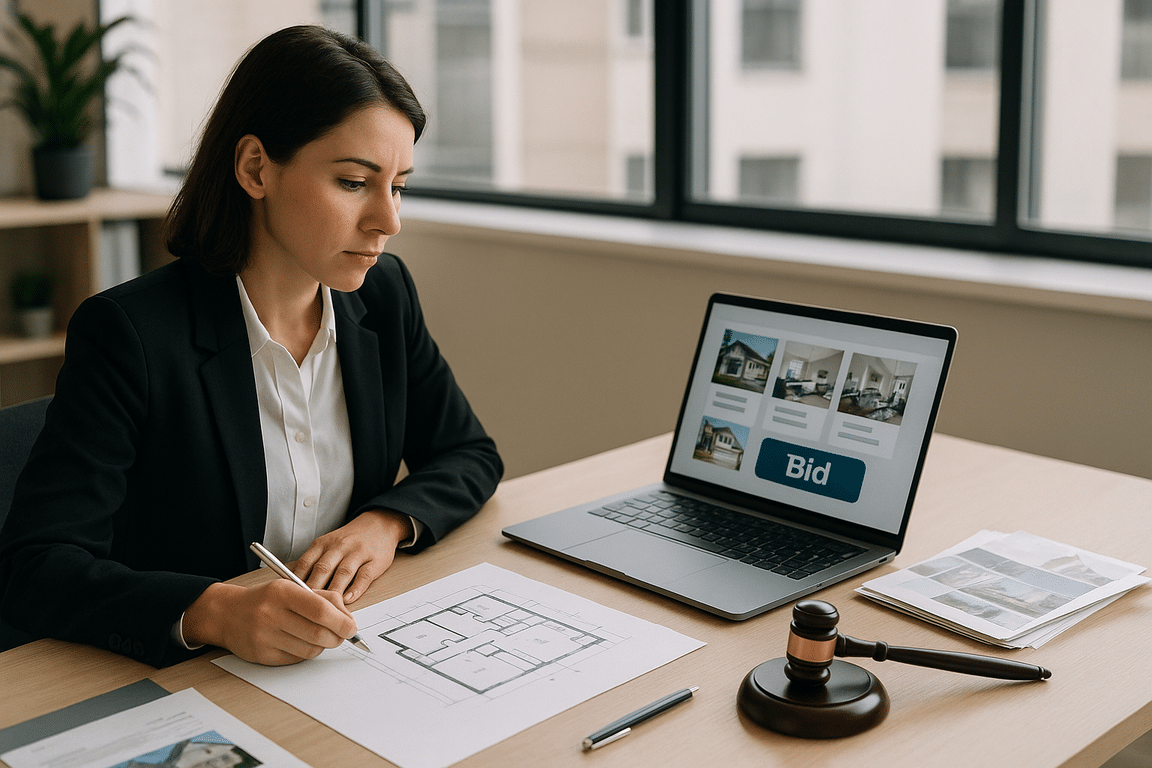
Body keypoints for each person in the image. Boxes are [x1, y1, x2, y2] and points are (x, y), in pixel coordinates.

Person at [0, 26, 502, 668]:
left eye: (398, 186)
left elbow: (468, 452)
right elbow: (35, 567)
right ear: (256, 168)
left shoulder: (385, 297)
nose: (389, 221)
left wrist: (385, 524)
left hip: (331, 661)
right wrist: (214, 611)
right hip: (189, 676)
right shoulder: (129, 334)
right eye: (355, 182)